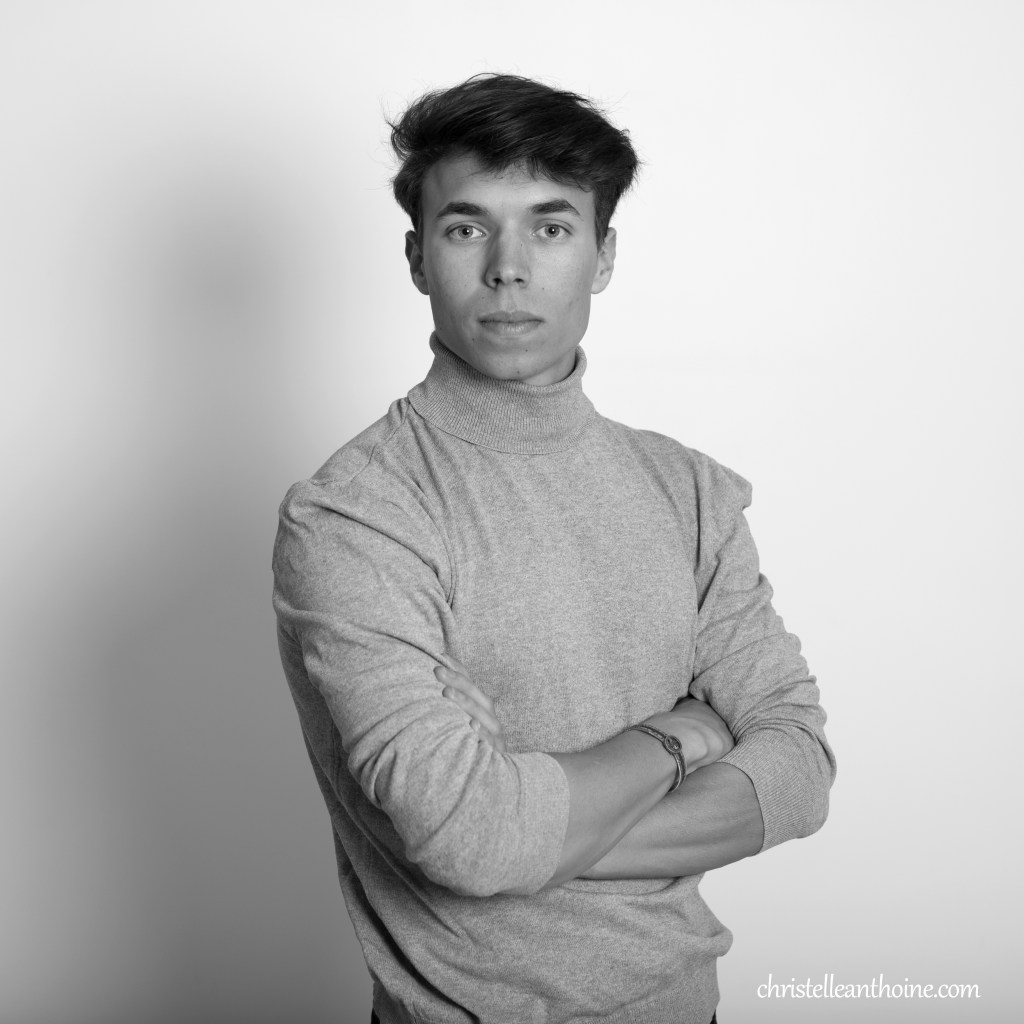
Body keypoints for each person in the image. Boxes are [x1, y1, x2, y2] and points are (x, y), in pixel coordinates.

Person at [272, 73, 836, 1024]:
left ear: (602, 255)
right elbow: (470, 837)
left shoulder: (690, 491)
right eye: (466, 227)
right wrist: (681, 734)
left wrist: (525, 828)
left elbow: (799, 771)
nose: (508, 267)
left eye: (551, 226)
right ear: (417, 257)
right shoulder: (356, 514)